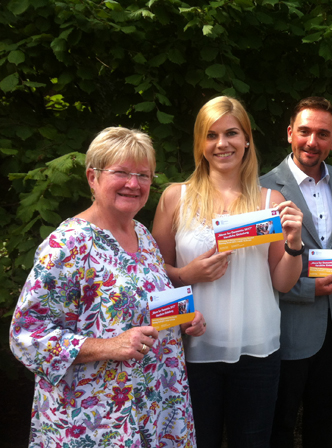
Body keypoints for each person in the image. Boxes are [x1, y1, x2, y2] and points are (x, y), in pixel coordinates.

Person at [9, 127, 204, 448]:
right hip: (94, 418)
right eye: (122, 173)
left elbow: (145, 303)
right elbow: (25, 336)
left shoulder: (143, 235)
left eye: (143, 175)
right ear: (92, 177)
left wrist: (184, 317)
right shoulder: (68, 245)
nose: (134, 183)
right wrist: (108, 346)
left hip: (156, 404)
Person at [152, 96, 304, 448]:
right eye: (211, 135)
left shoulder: (269, 202)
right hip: (192, 348)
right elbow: (155, 277)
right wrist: (187, 274)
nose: (222, 143)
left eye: (231, 133)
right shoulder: (175, 198)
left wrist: (294, 243)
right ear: (200, 144)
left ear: (247, 139)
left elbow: (281, 281)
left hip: (257, 350)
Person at [260, 97, 332, 448]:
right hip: (289, 325)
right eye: (304, 131)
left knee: (323, 417)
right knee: (280, 422)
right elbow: (261, 268)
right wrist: (305, 289)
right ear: (289, 134)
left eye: (322, 134)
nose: (312, 141)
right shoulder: (264, 189)